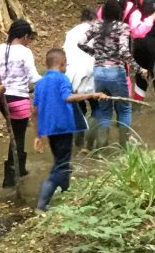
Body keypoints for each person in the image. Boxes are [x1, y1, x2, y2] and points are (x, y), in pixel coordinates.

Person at [31, 50, 102, 210]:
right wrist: (91, 95)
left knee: (61, 161)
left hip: (50, 129)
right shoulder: (62, 78)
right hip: (63, 127)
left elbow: (34, 111)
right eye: (66, 64)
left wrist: (38, 134)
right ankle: (42, 204)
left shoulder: (40, 83)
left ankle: (65, 191)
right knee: (62, 165)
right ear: (62, 63)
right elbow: (68, 97)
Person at [0, 18, 39, 188]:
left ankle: (19, 169)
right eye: (29, 39)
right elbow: (33, 77)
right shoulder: (25, 52)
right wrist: (51, 81)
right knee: (19, 135)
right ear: (25, 36)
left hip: (2, 98)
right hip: (19, 99)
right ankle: (11, 177)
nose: (29, 42)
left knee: (14, 132)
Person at [79, 0, 135, 150]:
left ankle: (102, 147)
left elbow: (80, 42)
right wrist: (139, 68)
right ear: (120, 11)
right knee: (124, 109)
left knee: (104, 111)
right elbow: (124, 52)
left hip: (99, 71)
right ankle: (125, 148)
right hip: (116, 71)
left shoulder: (96, 25)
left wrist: (95, 54)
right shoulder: (122, 27)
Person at [119, 0, 155, 109]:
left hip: (135, 46)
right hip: (153, 45)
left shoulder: (119, 7)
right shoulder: (149, 6)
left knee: (140, 77)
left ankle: (136, 109)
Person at [62, 9, 96, 150]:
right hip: (90, 73)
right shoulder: (94, 30)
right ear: (93, 19)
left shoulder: (71, 33)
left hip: (72, 75)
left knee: (79, 108)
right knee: (96, 108)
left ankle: (78, 140)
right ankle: (90, 144)